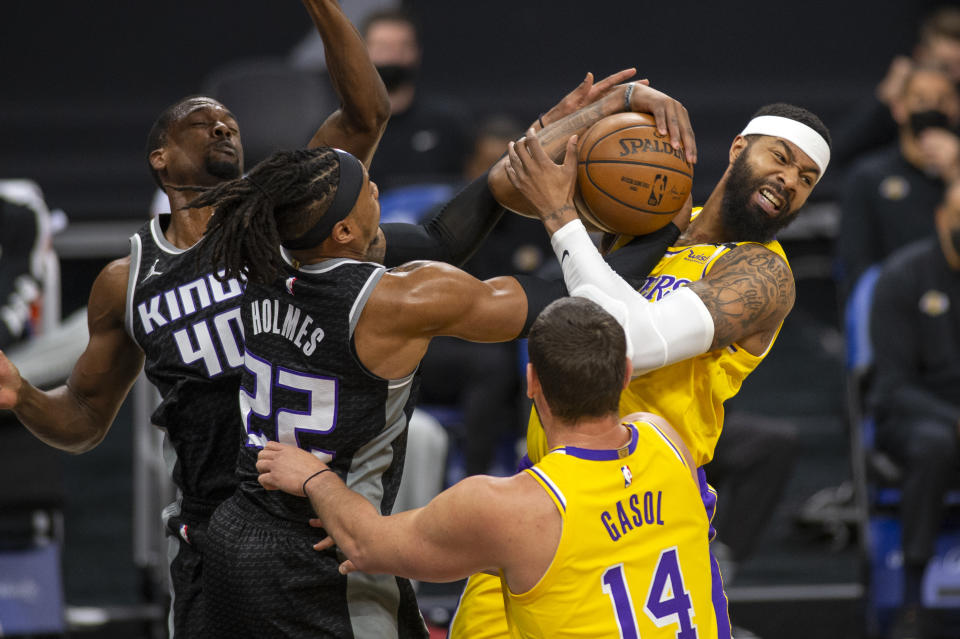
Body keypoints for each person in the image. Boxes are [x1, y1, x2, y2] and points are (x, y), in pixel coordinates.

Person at [191, 75, 695, 633]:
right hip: (328, 545)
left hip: (237, 532)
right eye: (368, 192)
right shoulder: (398, 300)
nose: (377, 189)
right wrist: (660, 232)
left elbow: (445, 233)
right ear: (343, 231)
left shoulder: (268, 249)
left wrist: (574, 122)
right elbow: (568, 301)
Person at [0, 2, 390, 635]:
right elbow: (85, 417)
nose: (223, 127)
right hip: (207, 525)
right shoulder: (125, 281)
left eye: (231, 122)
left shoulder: (276, 214)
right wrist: (22, 396)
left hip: (304, 514)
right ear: (159, 156)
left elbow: (366, 115)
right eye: (202, 122)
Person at [450, 99, 832, 639]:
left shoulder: (762, 274)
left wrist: (562, 218)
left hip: (644, 506)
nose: (790, 180)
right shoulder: (651, 208)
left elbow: (633, 341)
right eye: (782, 157)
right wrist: (611, 107)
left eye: (807, 178)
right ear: (739, 148)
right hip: (547, 485)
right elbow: (514, 186)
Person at [255, 297, 720, 639]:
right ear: (625, 374)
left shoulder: (512, 508)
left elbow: (365, 544)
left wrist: (316, 479)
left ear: (531, 382)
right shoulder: (664, 438)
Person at [868, 180, 960, 639]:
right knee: (935, 443)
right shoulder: (903, 276)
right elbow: (892, 385)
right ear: (942, 216)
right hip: (914, 417)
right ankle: (911, 601)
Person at [836, 63, 960, 301]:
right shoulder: (869, 176)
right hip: (896, 307)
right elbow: (856, 266)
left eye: (943, 100)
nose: (933, 109)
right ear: (899, 107)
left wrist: (955, 175)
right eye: (921, 100)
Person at [832, 6, 960, 168]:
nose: (955, 77)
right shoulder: (901, 100)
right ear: (921, 56)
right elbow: (842, 149)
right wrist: (883, 99)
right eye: (945, 66)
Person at [361, 8, 474, 190]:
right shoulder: (344, 130)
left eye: (404, 47)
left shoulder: (449, 125)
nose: (394, 56)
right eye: (383, 47)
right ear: (362, 53)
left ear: (417, 52)